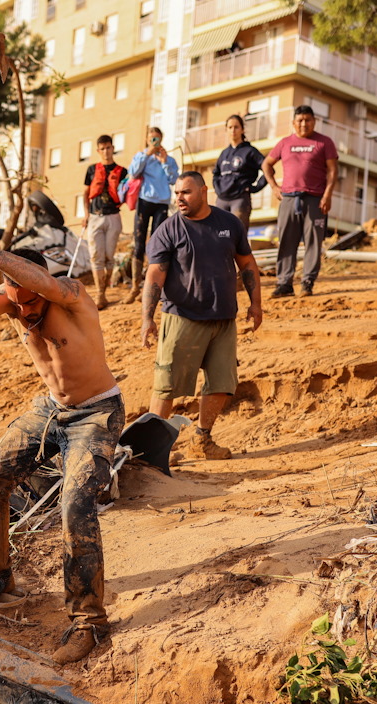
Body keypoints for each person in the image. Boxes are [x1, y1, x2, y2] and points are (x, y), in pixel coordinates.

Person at [0, 212, 124, 665]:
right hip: (51, 410)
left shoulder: (70, 295)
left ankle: (88, 622)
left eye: (30, 301)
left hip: (96, 413)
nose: (24, 310)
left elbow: (38, 284)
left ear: (41, 283)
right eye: (15, 302)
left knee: (76, 504)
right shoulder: (12, 299)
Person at [140, 172, 262, 462]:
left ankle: (201, 439)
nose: (179, 198)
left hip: (223, 319)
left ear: (204, 192)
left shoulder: (229, 223)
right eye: (177, 193)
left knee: (222, 382)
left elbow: (247, 263)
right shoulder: (168, 230)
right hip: (182, 316)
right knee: (167, 385)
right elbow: (155, 275)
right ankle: (153, 452)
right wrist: (147, 318)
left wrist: (255, 304)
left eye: (186, 192)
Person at [261, 106, 338, 298]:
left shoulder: (324, 142)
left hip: (315, 199)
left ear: (314, 121)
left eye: (308, 120)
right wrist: (274, 187)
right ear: (294, 123)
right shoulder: (285, 143)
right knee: (287, 241)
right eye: (300, 120)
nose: (304, 123)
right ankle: (284, 283)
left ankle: (307, 282)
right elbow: (266, 164)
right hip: (289, 199)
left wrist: (327, 194)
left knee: (313, 242)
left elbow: (332, 171)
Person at [125, 126, 179, 304]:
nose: (155, 142)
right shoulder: (142, 156)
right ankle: (134, 286)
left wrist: (164, 161)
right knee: (139, 242)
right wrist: (147, 154)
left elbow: (173, 179)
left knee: (157, 244)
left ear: (162, 139)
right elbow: (133, 172)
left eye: (157, 138)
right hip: (144, 201)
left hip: (161, 203)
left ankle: (150, 286)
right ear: (148, 140)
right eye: (152, 138)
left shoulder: (168, 159)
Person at [81, 134, 127, 310]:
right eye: (103, 149)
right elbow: (85, 193)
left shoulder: (122, 171)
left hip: (113, 216)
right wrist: (85, 214)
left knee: (109, 256)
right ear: (98, 151)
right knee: (96, 256)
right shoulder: (92, 169)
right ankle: (100, 294)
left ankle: (104, 291)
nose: (106, 151)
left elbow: (127, 192)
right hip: (95, 216)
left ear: (112, 148)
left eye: (109, 147)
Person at [212, 115, 268, 232]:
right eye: (230, 127)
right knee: (220, 235)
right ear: (226, 130)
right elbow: (216, 174)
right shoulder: (224, 153)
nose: (233, 130)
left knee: (238, 234)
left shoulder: (250, 151)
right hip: (222, 199)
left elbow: (268, 168)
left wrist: (255, 188)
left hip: (240, 199)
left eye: (236, 127)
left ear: (242, 129)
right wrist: (218, 189)